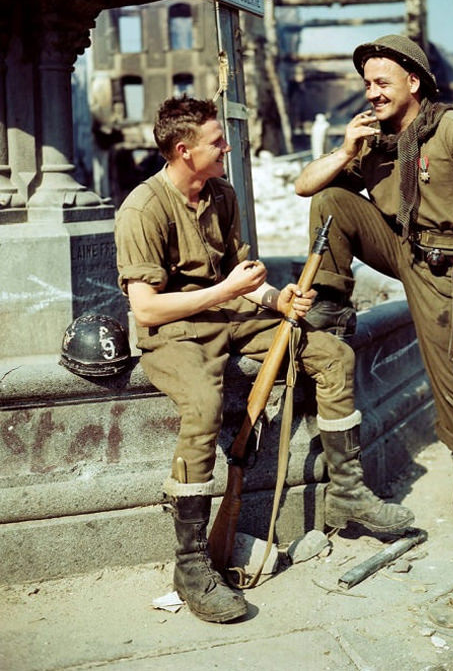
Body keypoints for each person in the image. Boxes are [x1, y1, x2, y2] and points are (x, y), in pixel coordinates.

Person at [114, 96, 414, 624]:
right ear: (184, 150)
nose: (226, 146)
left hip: (230, 315)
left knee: (332, 354)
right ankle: (191, 564)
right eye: (216, 141)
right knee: (205, 406)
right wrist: (227, 290)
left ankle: (347, 494)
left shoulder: (221, 193)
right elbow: (146, 307)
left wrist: (275, 299)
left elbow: (242, 275)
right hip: (175, 331)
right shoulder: (143, 208)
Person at [295, 35, 453, 531]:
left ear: (414, 81)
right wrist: (344, 152)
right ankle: (332, 315)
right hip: (396, 243)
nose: (372, 93)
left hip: (442, 262)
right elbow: (304, 186)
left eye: (382, 83)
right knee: (331, 201)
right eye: (367, 83)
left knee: (451, 372)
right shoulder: (374, 136)